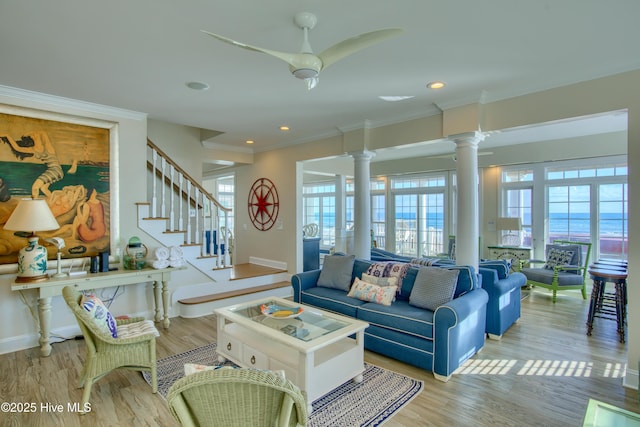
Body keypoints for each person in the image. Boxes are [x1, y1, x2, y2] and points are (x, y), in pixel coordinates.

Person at [1, 130, 63, 198]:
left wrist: (8, 135)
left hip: (54, 170)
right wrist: (7, 135)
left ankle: (34, 203)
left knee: (35, 187)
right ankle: (51, 203)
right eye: (33, 136)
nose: (35, 135)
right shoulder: (34, 149)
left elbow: (42, 132)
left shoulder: (46, 147)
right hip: (55, 170)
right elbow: (17, 148)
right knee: (44, 189)